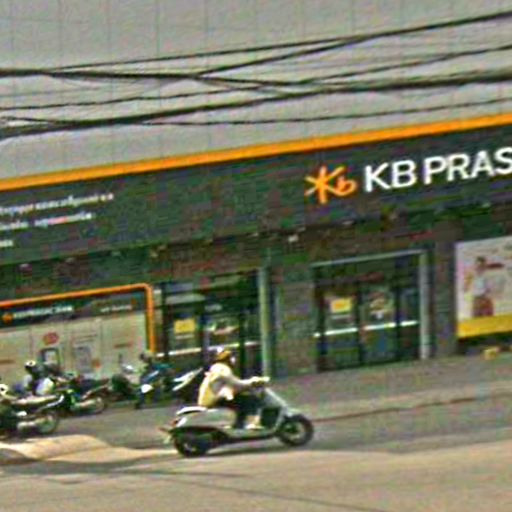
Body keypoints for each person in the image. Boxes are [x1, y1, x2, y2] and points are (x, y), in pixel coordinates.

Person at [197, 348, 267, 429]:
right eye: (232, 357)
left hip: (214, 399)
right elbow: (235, 383)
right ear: (228, 359)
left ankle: (238, 425)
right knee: (252, 400)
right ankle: (252, 424)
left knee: (241, 400)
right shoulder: (222, 368)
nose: (234, 360)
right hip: (215, 400)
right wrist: (253, 382)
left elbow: (230, 386)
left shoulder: (216, 368)